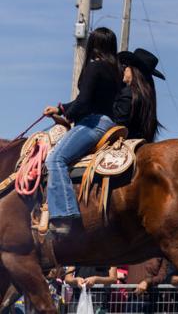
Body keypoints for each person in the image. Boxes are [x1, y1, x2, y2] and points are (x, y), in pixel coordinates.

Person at [42, 28, 123, 234]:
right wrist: (61, 108)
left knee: (54, 159)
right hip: (108, 122)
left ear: (93, 45)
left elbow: (84, 102)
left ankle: (64, 215)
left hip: (92, 122)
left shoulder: (94, 67)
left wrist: (66, 116)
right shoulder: (116, 71)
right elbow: (88, 99)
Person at [112, 47, 165, 142]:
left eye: (126, 66)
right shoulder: (145, 96)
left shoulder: (128, 93)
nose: (124, 69)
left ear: (133, 70)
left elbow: (117, 124)